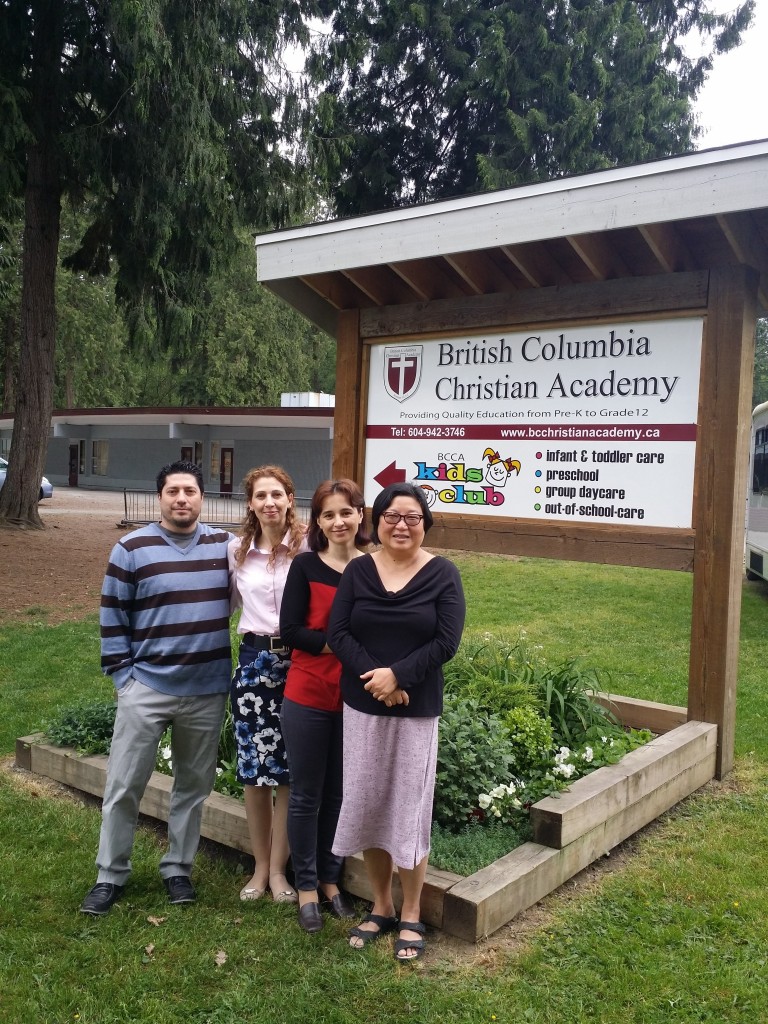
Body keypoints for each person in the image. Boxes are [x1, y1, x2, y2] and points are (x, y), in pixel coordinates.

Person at [80, 461, 233, 915]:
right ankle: (110, 875)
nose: (181, 498)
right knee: (124, 784)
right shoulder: (132, 548)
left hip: (207, 690)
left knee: (192, 786)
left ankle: (178, 869)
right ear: (161, 497)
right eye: (173, 491)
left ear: (202, 497)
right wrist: (124, 678)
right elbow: (113, 615)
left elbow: (274, 560)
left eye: (189, 490)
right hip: (146, 686)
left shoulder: (225, 546)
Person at [327, 482, 466, 962]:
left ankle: (412, 912)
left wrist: (399, 676)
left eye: (411, 517)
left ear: (425, 524)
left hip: (415, 709)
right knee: (368, 803)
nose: (401, 525)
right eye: (391, 516)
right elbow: (337, 631)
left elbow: (446, 642)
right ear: (377, 521)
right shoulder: (359, 571)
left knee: (407, 807)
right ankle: (382, 905)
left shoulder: (443, 574)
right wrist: (377, 680)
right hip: (363, 707)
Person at [279, 479, 370, 933]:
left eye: (346, 512)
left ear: (360, 515)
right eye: (328, 514)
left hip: (355, 699)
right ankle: (307, 885)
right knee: (307, 794)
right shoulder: (306, 567)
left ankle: (333, 879)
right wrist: (339, 645)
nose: (339, 521)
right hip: (309, 694)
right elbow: (291, 631)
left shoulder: (372, 569)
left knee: (339, 793)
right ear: (318, 521)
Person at [229, 465, 306, 903]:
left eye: (277, 494)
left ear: (290, 499)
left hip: (301, 663)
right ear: (251, 503)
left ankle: (280, 872)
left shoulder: (309, 546)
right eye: (261, 496)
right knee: (255, 773)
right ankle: (259, 868)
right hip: (255, 663)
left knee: (289, 773)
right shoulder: (237, 551)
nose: (270, 502)